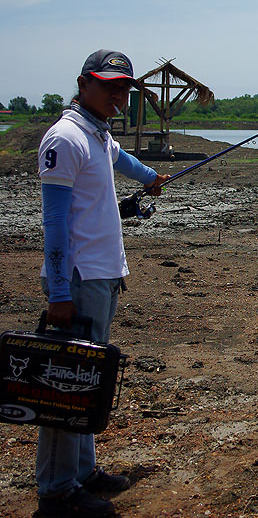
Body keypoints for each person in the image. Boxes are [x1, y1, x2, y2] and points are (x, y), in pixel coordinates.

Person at [36, 49, 169, 518]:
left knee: (88, 380)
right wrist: (58, 293)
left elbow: (123, 160)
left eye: (124, 87)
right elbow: (54, 223)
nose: (117, 94)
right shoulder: (65, 138)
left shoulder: (97, 133)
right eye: (108, 84)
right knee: (65, 384)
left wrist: (152, 177)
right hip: (77, 279)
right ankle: (55, 491)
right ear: (82, 83)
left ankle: (84, 472)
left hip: (105, 275)